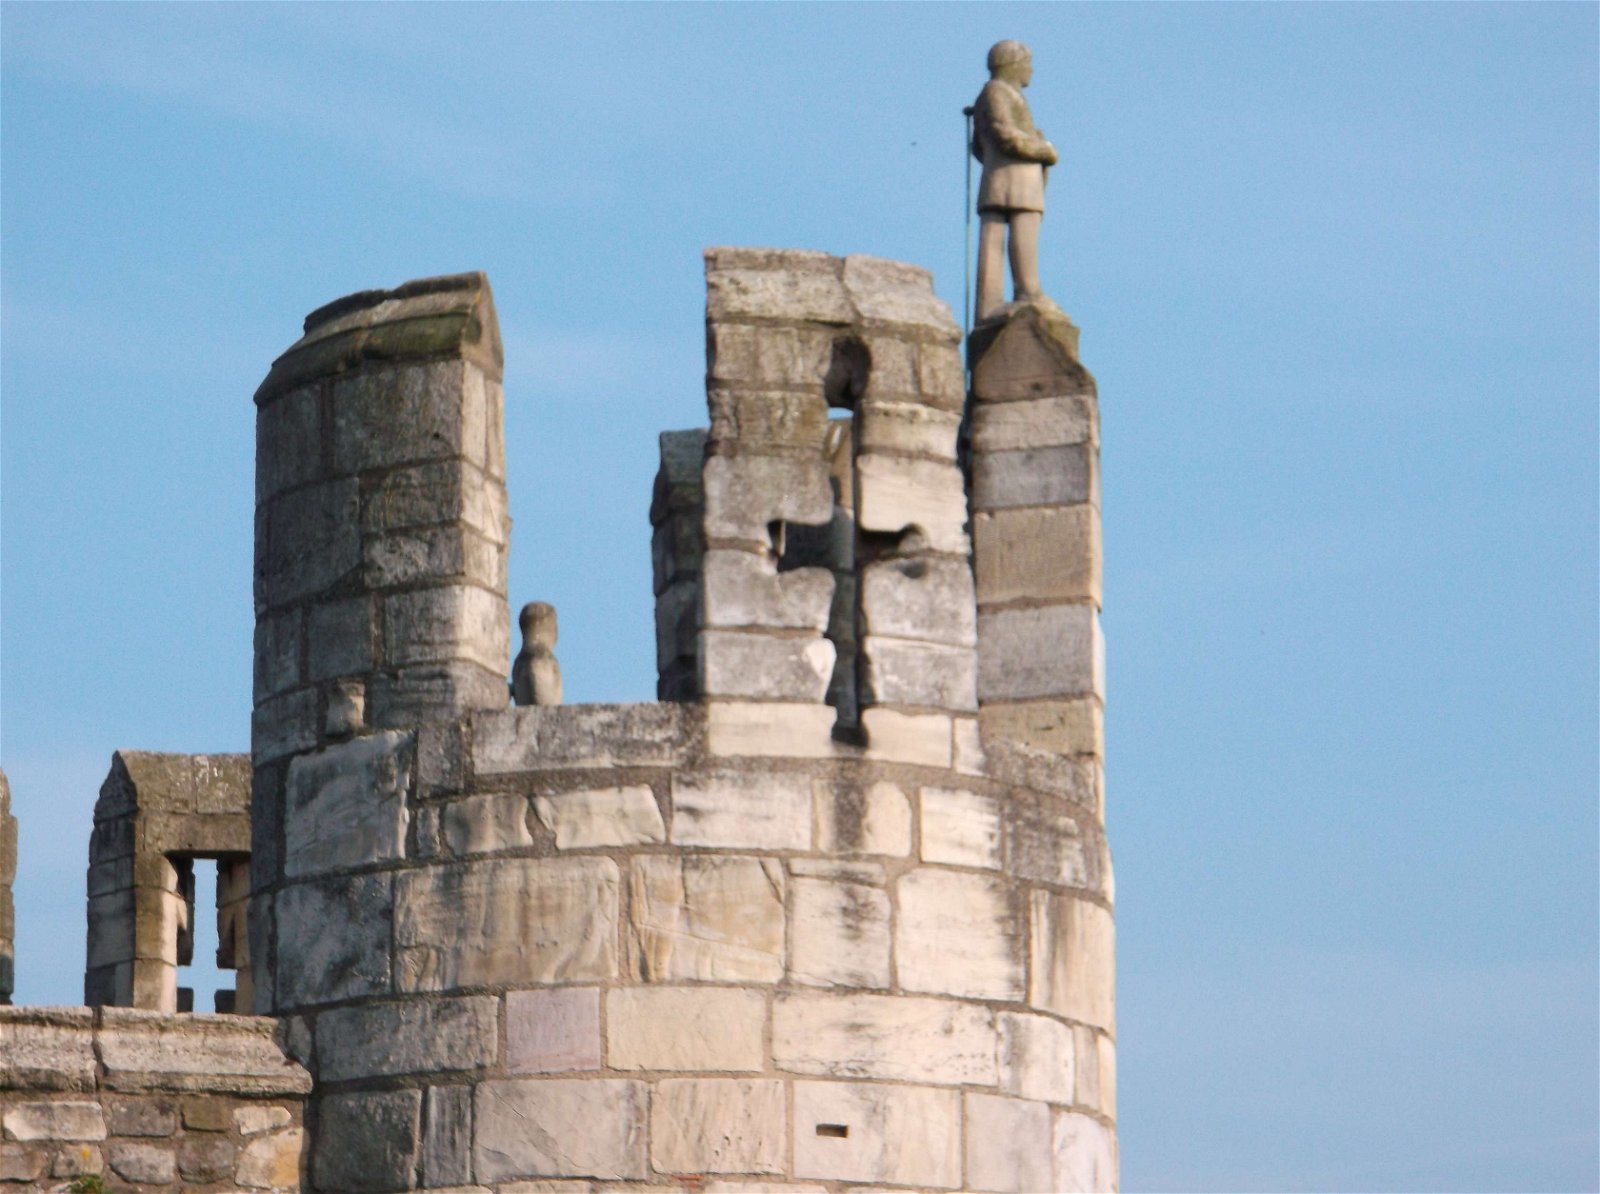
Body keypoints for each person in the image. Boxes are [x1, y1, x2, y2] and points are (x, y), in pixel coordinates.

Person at [969, 40, 1058, 321]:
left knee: (996, 233)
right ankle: (1027, 291)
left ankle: (992, 302)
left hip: (1003, 176)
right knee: (1021, 227)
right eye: (1027, 63)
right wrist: (1043, 149)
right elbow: (1004, 134)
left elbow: (978, 144)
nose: (1030, 70)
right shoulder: (997, 91)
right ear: (1013, 65)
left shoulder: (997, 93)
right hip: (1015, 179)